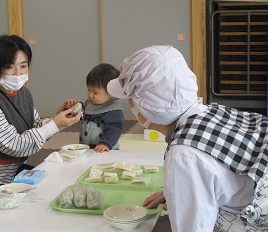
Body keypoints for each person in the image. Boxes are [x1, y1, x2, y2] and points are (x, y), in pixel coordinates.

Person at [107, 45, 268, 231]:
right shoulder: (212, 112)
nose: (130, 104)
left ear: (145, 105)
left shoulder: (184, 156)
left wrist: (184, 186)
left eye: (131, 97)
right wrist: (183, 192)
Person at [0, 34, 81, 211]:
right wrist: (55, 125)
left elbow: (34, 128)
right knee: (23, 209)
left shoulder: (23, 93)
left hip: (12, 175)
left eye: (23, 66)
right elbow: (16, 146)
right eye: (9, 67)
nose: (18, 74)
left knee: (55, 183)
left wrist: (57, 119)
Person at [65, 63, 125, 153]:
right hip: (88, 149)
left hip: (106, 150)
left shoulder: (113, 110)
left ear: (111, 93)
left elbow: (115, 130)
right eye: (88, 90)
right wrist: (72, 109)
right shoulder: (89, 104)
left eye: (95, 92)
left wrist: (105, 144)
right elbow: (79, 115)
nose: (90, 95)